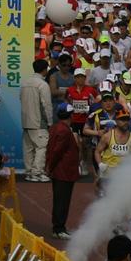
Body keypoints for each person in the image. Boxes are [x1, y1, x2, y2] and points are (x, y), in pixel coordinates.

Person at [45, 101, 80, 238]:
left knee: (60, 200)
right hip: (64, 172)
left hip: (60, 171)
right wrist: (51, 167)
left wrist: (49, 166)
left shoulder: (55, 128)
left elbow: (51, 150)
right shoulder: (64, 131)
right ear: (70, 115)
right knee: (62, 201)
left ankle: (59, 227)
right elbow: (57, 152)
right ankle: (59, 229)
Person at [20, 58, 53, 181]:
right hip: (39, 121)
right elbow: (47, 105)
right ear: (44, 70)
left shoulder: (24, 82)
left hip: (25, 120)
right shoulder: (43, 84)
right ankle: (37, 172)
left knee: (28, 147)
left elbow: (20, 99)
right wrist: (49, 122)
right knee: (41, 147)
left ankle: (29, 172)